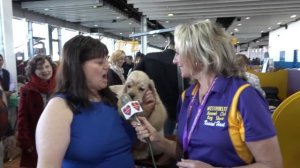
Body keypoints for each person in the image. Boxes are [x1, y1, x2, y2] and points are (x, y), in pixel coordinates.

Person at [132, 20, 282, 168]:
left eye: (178, 53)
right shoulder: (188, 96)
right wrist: (157, 139)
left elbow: (273, 164)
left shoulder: (244, 97)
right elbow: (184, 153)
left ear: (199, 55)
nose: (174, 60)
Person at [35, 35, 156, 168]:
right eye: (100, 62)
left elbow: (131, 145)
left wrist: (144, 119)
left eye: (106, 60)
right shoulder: (59, 108)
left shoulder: (113, 100)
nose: (107, 66)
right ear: (77, 67)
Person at [134, 36, 183, 135]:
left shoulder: (149, 57)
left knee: (146, 139)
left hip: (149, 108)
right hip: (171, 112)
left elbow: (134, 77)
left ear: (168, 43)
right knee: (165, 141)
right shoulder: (181, 63)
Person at [17, 55, 56, 168]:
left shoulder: (60, 86)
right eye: (39, 68)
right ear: (33, 71)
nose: (45, 70)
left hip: (57, 136)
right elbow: (22, 118)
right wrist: (27, 144)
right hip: (36, 139)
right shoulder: (27, 89)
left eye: (47, 66)